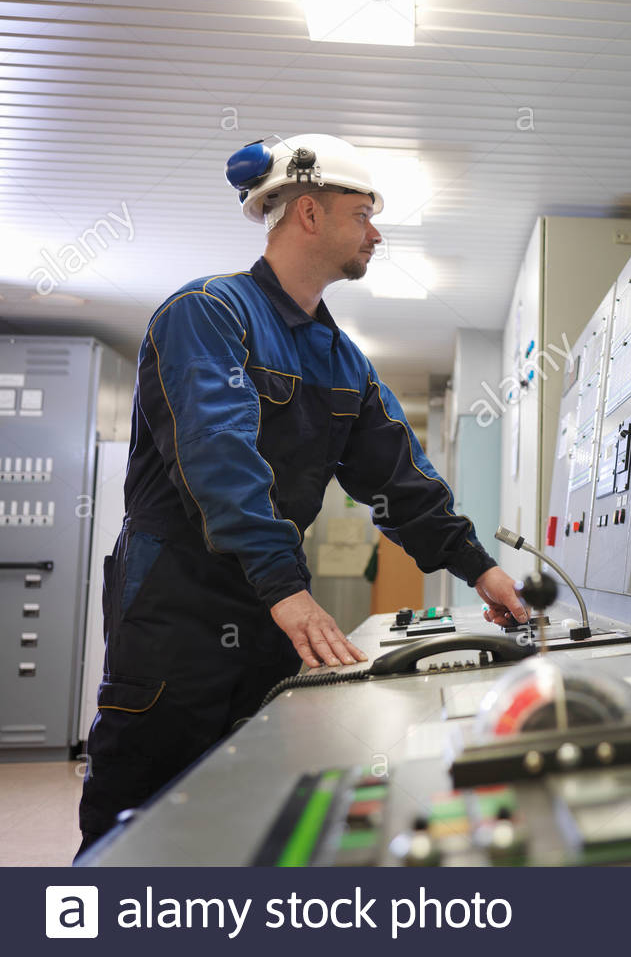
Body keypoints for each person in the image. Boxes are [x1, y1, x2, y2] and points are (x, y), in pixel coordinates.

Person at [76, 133, 528, 857]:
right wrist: (286, 586)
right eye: (364, 212)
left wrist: (480, 566)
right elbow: (218, 457)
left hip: (268, 618)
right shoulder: (207, 314)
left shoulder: (342, 359)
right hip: (175, 611)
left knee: (251, 809)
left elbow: (398, 481)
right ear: (309, 214)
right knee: (141, 823)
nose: (376, 232)